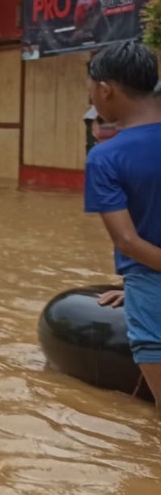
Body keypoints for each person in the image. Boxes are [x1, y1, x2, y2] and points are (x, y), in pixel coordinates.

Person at [84, 41, 161, 411]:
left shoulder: (106, 157)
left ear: (105, 89)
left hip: (152, 286)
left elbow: (128, 241)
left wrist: (139, 290)